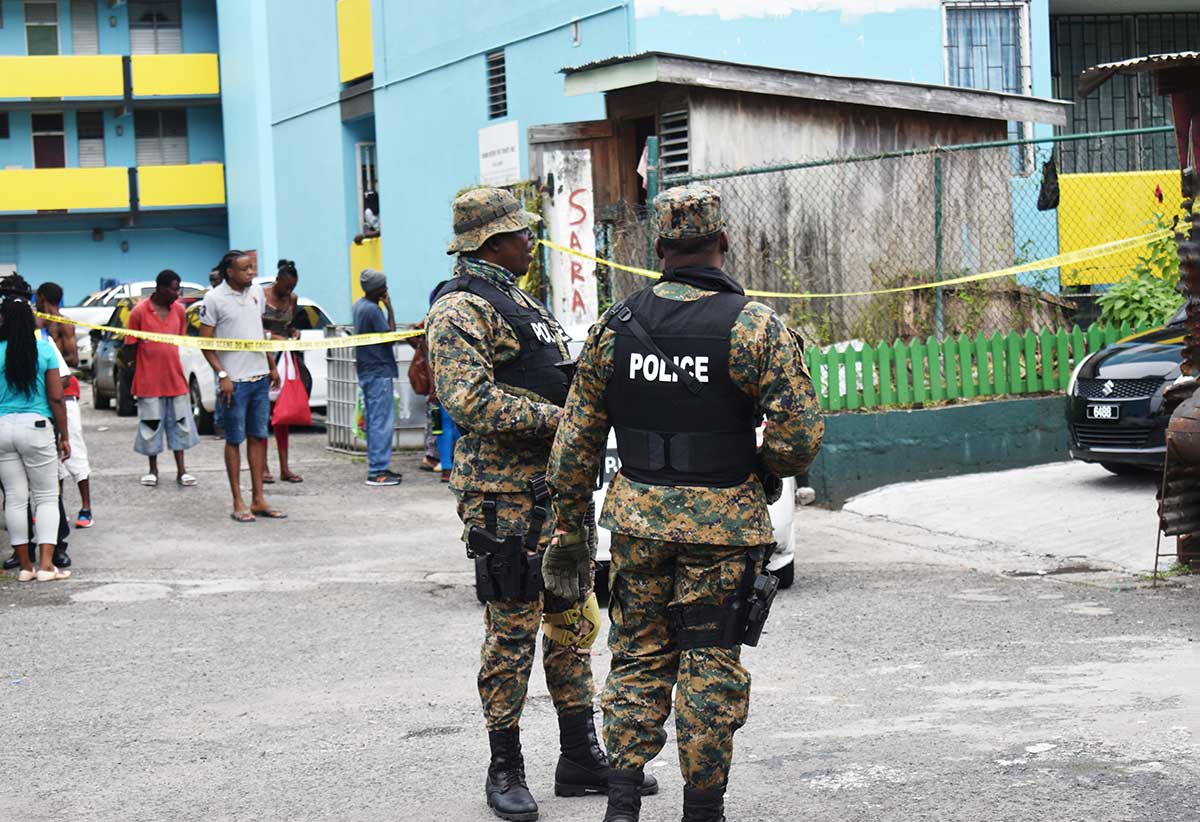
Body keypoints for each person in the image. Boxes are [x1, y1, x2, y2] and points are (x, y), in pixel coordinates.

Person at [544, 185, 825, 822]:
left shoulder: (614, 328)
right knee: (708, 663)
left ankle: (622, 805)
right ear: (724, 243)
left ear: (660, 249)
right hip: (723, 525)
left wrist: (567, 533)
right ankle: (702, 810)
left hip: (638, 523)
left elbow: (575, 444)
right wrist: (767, 470)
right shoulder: (753, 325)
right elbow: (800, 435)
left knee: (638, 655)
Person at [426, 187, 656, 822]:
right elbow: (468, 400)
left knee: (570, 623)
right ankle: (505, 766)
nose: (531, 240)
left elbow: (536, 369)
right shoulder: (460, 309)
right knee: (511, 632)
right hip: (505, 500)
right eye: (520, 233)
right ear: (489, 241)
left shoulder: (516, 299)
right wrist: (564, 418)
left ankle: (580, 755)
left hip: (557, 493)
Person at [198, 250, 285, 523]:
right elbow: (205, 343)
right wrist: (222, 374)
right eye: (245, 269)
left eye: (252, 268)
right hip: (234, 383)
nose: (251, 273)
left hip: (259, 377)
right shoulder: (213, 300)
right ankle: (238, 499)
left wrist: (271, 364)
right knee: (235, 439)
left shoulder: (256, 292)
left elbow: (258, 331)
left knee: (259, 436)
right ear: (230, 272)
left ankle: (258, 498)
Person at [0, 274, 71, 582]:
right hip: (37, 426)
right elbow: (57, 396)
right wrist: (64, 435)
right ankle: (46, 566)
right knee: (45, 496)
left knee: (15, 497)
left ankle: (25, 567)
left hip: (2, 427)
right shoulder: (43, 350)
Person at [124, 270, 199, 487]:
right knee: (151, 425)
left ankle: (182, 470)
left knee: (180, 424)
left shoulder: (179, 311)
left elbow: (182, 343)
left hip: (175, 379)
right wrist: (132, 380)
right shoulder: (139, 312)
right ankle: (152, 470)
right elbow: (130, 347)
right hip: (149, 381)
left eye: (178, 289)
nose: (177, 294)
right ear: (160, 288)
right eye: (173, 289)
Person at [34, 281, 93, 528]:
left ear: (43, 297)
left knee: (74, 448)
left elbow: (74, 359)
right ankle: (56, 508)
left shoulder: (63, 323)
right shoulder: (33, 324)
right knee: (51, 456)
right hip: (42, 396)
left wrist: (52, 351)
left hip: (66, 393)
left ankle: (86, 507)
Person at [353, 268, 402, 487]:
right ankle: (377, 471)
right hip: (378, 370)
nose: (387, 290)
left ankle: (378, 464)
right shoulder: (373, 309)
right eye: (384, 287)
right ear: (377, 290)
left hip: (366, 369)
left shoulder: (358, 305)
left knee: (375, 421)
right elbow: (389, 337)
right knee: (382, 421)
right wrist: (389, 307)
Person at [262, 259, 306, 484]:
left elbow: (290, 326)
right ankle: (263, 467)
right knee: (262, 416)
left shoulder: (293, 299)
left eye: (293, 287)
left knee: (283, 415)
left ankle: (285, 467)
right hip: (262, 357)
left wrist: (294, 333)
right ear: (277, 280)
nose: (289, 291)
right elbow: (256, 330)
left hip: (284, 358)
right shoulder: (261, 296)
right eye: (286, 286)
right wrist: (273, 340)